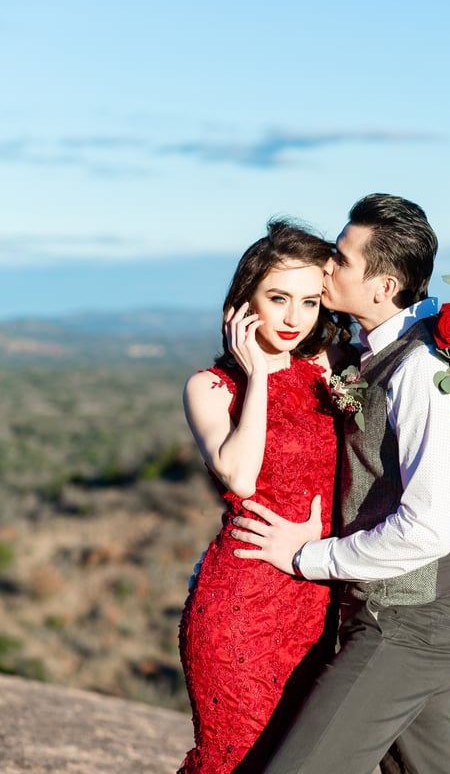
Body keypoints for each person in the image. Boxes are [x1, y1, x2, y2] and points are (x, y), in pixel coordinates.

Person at [231, 193, 450, 774]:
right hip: (415, 618)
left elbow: (430, 527)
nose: (327, 265)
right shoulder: (381, 353)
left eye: (342, 259)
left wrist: (307, 558)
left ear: (384, 287)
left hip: (410, 622)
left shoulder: (423, 369)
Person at [177, 219, 354, 774]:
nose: (294, 317)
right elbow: (241, 477)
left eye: (309, 301)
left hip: (314, 604)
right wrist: (257, 376)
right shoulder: (210, 387)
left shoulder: (327, 368)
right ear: (245, 302)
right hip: (240, 605)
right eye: (278, 298)